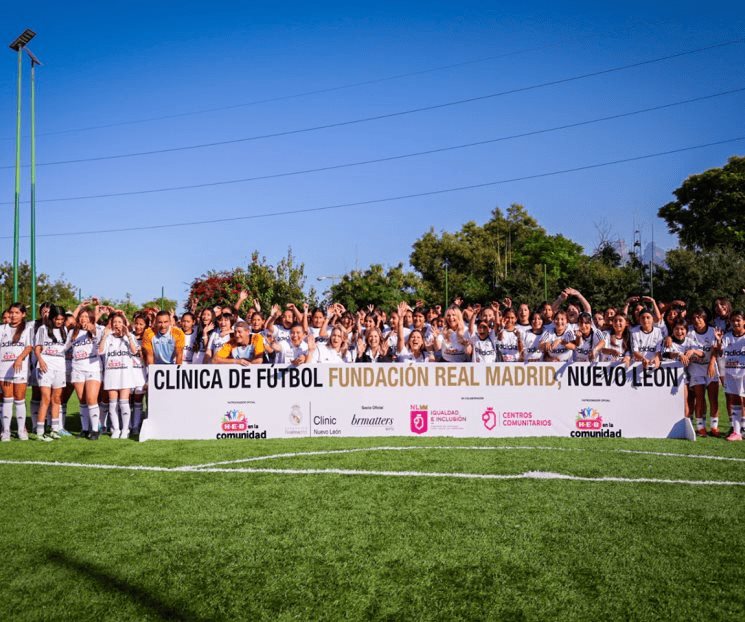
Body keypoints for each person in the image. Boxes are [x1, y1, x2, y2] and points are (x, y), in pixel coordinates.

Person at [65, 305, 105, 439]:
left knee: (91, 399)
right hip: (77, 368)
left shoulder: (97, 329)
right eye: (81, 317)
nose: (83, 319)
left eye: (86, 317)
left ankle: (95, 429)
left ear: (91, 318)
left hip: (93, 368)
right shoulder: (73, 332)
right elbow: (65, 347)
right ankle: (85, 429)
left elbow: (97, 333)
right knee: (82, 400)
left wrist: (92, 327)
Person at [99, 312, 139, 439]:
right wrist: (104, 336)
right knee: (113, 403)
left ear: (124, 324)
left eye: (119, 322)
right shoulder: (108, 337)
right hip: (111, 374)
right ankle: (115, 429)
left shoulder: (129, 336)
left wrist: (128, 335)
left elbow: (134, 351)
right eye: (114, 322)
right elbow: (100, 351)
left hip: (125, 374)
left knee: (124, 403)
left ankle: (125, 429)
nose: (117, 324)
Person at [34, 305, 68, 441]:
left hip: (60, 367)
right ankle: (40, 432)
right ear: (52, 317)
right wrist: (41, 361)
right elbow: (37, 349)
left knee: (57, 399)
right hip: (46, 367)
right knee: (46, 398)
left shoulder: (64, 330)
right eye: (57, 319)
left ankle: (54, 429)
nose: (59, 321)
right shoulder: (43, 329)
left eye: (61, 319)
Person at [0, 303, 34, 441]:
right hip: (4, 369)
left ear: (23, 314)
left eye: (17, 313)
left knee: (20, 399)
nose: (13, 315)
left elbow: (29, 347)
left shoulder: (27, 329)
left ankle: (21, 430)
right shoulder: (2, 329)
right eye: (11, 312)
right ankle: (6, 431)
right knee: (7, 400)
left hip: (20, 369)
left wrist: (19, 358)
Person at [686, 307, 721, 437]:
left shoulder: (712, 331)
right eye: (694, 317)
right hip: (695, 368)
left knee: (714, 399)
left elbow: (716, 349)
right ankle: (700, 427)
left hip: (710, 367)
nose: (696, 320)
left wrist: (712, 364)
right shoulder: (689, 331)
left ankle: (714, 427)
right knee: (699, 399)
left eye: (699, 317)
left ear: (705, 318)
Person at [712, 310, 745, 441]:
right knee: (735, 401)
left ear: (744, 321)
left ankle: (743, 428)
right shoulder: (727, 336)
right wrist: (719, 341)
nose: (735, 323)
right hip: (731, 372)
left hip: (744, 373)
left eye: (738, 320)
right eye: (733, 320)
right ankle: (737, 432)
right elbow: (720, 352)